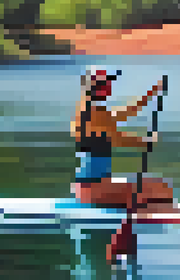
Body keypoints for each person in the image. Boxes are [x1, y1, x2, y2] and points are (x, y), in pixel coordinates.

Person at [70, 67, 172, 209]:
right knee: (159, 188)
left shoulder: (87, 111)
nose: (110, 87)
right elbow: (118, 139)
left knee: (157, 185)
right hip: (95, 189)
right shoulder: (96, 114)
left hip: (90, 187)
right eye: (107, 83)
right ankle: (163, 219)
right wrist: (146, 141)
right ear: (97, 88)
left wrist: (152, 94)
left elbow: (127, 112)